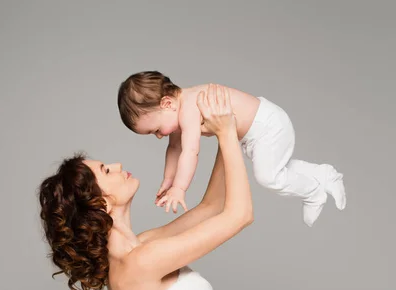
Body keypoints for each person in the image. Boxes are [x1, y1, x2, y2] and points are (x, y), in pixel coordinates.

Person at [39, 85, 253, 290]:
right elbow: (239, 215)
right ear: (102, 205)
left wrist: (227, 131)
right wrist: (226, 133)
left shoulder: (143, 247)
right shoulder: (139, 263)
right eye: (105, 170)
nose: (117, 165)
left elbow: (211, 207)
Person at [117, 71, 346, 227]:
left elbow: (190, 151)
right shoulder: (178, 109)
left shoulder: (188, 107)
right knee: (278, 169)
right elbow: (174, 148)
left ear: (167, 104)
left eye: (156, 129)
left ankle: (313, 193)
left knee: (268, 177)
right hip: (253, 134)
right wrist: (168, 180)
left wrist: (180, 188)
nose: (159, 136)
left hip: (267, 125)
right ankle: (323, 174)